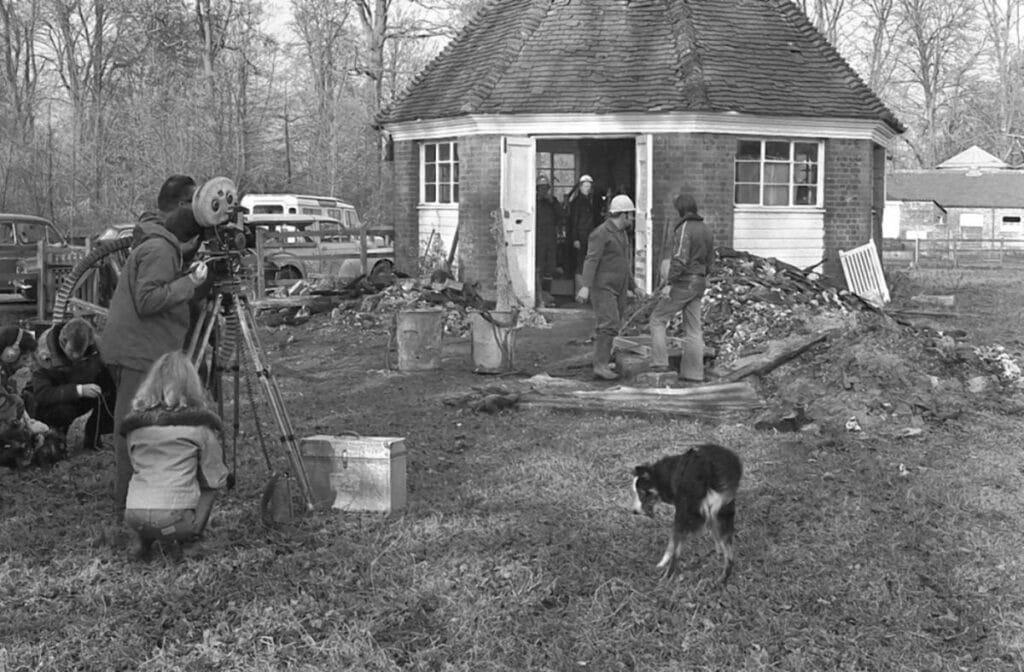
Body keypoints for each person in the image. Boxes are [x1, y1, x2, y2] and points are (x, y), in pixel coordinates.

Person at [100, 175, 209, 521]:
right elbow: (148, 300)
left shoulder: (157, 241)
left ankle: (138, 495)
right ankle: (127, 502)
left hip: (142, 346)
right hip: (139, 350)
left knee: (136, 422)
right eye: (192, 204)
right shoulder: (159, 248)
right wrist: (190, 283)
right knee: (132, 425)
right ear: (179, 207)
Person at [122, 351, 228, 561]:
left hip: (134, 515)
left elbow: (134, 463)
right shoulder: (199, 428)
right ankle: (190, 540)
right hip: (173, 521)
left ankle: (143, 541)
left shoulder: (134, 428)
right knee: (212, 486)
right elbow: (215, 476)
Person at [575, 194, 644, 380]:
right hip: (603, 287)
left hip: (619, 288)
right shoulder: (600, 233)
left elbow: (623, 262)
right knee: (608, 324)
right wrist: (585, 286)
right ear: (623, 215)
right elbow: (591, 259)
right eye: (630, 214)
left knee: (613, 325)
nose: (632, 218)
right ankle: (600, 365)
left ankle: (603, 360)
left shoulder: (621, 234)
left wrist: (633, 286)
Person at [648, 193, 715, 383]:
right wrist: (704, 276)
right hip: (699, 283)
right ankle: (694, 373)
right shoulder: (706, 229)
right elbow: (711, 261)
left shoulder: (684, 229)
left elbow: (679, 259)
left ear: (680, 209)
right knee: (693, 329)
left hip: (684, 282)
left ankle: (659, 363)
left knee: (657, 319)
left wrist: (669, 283)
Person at [25, 317, 115, 452]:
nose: (77, 356)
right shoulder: (45, 353)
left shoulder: (96, 345)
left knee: (112, 388)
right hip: (49, 404)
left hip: (81, 392)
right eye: (72, 352)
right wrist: (79, 390)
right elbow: (42, 394)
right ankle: (53, 437)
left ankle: (94, 435)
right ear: (63, 340)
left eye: (81, 351)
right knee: (63, 412)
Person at [0, 327, 60, 468]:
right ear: (10, 354)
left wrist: (29, 421)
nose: (27, 363)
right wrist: (27, 429)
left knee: (27, 398)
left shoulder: (5, 372)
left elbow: (12, 396)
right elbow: (7, 408)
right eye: (24, 358)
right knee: (14, 430)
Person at [566, 174, 601, 290]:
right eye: (585, 186)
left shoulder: (590, 202)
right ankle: (579, 292)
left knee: (588, 262)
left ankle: (587, 290)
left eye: (589, 186)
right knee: (580, 263)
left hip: (589, 236)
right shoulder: (577, 203)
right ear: (580, 187)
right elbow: (573, 222)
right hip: (581, 237)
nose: (587, 189)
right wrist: (575, 238)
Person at [535, 174, 563, 306]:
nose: (543, 190)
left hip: (551, 238)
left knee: (550, 267)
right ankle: (538, 295)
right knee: (539, 266)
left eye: (545, 188)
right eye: (541, 188)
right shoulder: (533, 202)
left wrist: (552, 202)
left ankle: (548, 294)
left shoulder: (553, 202)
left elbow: (561, 216)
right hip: (538, 238)